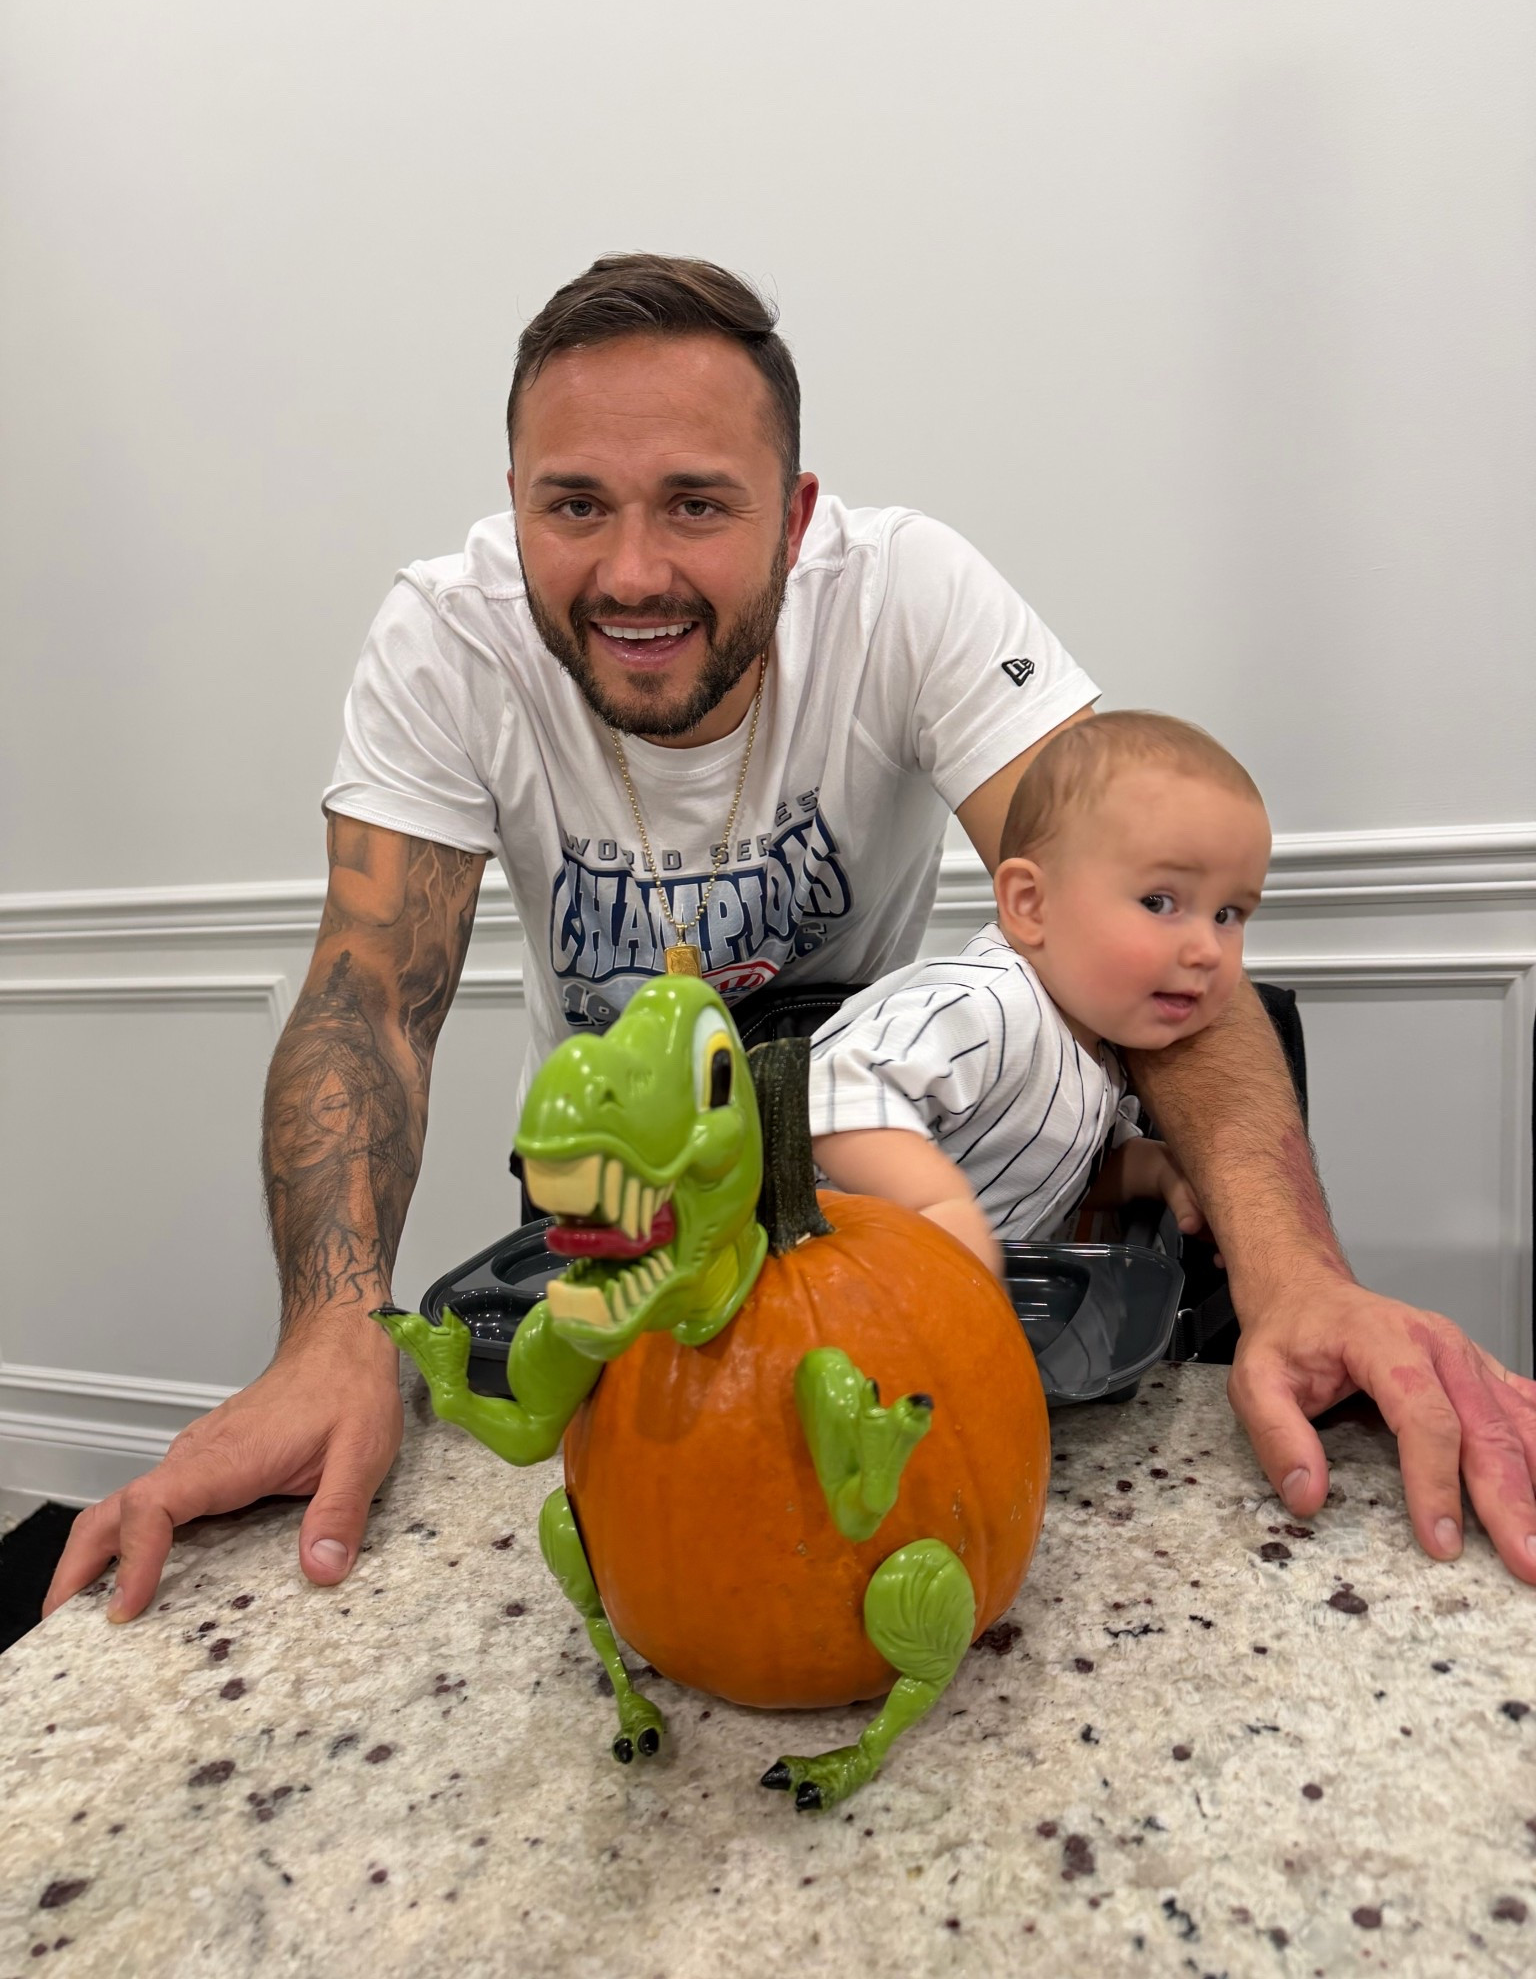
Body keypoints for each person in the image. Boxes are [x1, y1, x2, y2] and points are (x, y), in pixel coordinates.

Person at [44, 254, 1536, 1625]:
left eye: (697, 503)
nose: (632, 574)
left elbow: (1139, 890)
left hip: (865, 1182)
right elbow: (368, 994)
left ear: (798, 512)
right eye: (573, 507)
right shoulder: (443, 638)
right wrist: (326, 1329)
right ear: (512, 502)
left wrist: (1295, 1276)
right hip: (632, 1188)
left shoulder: (910, 594)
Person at [806, 711, 1271, 1276]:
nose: (1207, 950)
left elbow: (1052, 1164)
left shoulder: (1098, 1049)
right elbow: (833, 1092)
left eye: (1228, 914)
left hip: (930, 1306)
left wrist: (1154, 1169)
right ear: (1030, 904)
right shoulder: (988, 1006)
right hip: (812, 1286)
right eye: (1158, 902)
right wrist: (936, 1205)